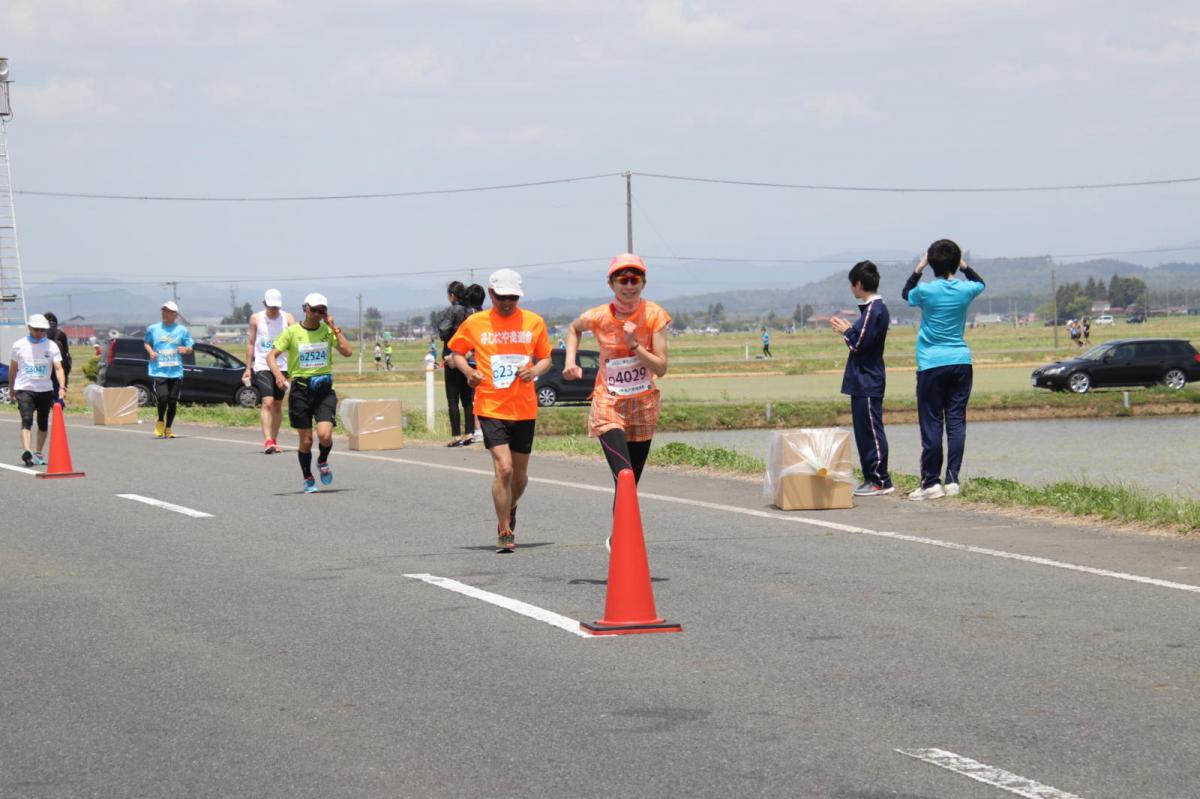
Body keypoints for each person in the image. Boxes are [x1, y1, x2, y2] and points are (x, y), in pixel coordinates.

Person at [447, 269, 552, 552]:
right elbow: (456, 352)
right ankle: (504, 528)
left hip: (524, 408)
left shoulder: (533, 322)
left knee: (520, 478)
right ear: (491, 294)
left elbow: (546, 359)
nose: (507, 303)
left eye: (513, 298)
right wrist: (469, 372)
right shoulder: (475, 322)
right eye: (502, 297)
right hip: (491, 405)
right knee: (503, 468)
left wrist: (533, 370)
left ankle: (511, 506)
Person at [563, 253, 670, 490]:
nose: (629, 286)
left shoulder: (654, 315)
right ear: (611, 284)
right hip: (608, 403)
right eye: (623, 280)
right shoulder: (599, 315)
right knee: (624, 474)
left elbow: (661, 368)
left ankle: (624, 528)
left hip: (643, 405)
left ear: (644, 283)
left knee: (629, 484)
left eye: (635, 280)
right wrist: (570, 360)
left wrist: (635, 346)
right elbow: (574, 328)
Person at [901, 239, 985, 501]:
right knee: (956, 421)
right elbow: (980, 283)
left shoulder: (926, 292)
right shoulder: (965, 289)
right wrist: (964, 265)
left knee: (932, 423)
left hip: (931, 363)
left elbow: (906, 293)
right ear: (955, 261)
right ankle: (952, 480)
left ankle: (931, 483)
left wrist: (919, 267)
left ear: (932, 263)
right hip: (961, 360)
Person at [268, 293, 353, 493]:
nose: (317, 314)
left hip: (324, 390)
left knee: (324, 435)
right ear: (305, 308)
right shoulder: (292, 332)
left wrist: (334, 326)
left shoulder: (327, 330)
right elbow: (271, 355)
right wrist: (279, 375)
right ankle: (307, 477)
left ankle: (322, 460)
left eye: (321, 310)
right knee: (306, 440)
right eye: (313, 310)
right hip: (301, 390)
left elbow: (347, 351)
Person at [830, 261, 893, 496]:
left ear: (858, 284)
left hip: (868, 380)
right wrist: (849, 329)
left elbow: (858, 344)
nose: (851, 288)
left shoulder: (873, 309)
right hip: (863, 380)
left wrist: (846, 330)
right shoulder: (872, 310)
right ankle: (871, 478)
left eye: (852, 284)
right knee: (864, 431)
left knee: (871, 431)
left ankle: (879, 480)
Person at [8, 314, 67, 466]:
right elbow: (13, 369)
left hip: (45, 389)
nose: (39, 332)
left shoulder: (51, 346)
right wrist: (11, 387)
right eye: (36, 329)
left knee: (43, 422)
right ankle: (26, 451)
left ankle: (38, 453)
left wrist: (61, 386)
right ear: (29, 328)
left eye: (42, 330)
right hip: (24, 388)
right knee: (26, 419)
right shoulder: (19, 345)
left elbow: (59, 368)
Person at [243, 288, 296, 454]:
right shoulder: (256, 318)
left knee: (278, 405)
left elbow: (295, 342)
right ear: (264, 303)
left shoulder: (287, 318)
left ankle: (274, 440)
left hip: (282, 367)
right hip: (262, 365)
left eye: (277, 307)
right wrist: (248, 367)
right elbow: (251, 343)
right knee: (268, 401)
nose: (275, 310)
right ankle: (267, 440)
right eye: (271, 306)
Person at [144, 301, 195, 439]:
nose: (164, 313)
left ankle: (168, 428)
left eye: (168, 311)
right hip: (159, 370)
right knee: (163, 398)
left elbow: (190, 346)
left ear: (175, 315)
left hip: (176, 371)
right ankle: (161, 420)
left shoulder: (182, 330)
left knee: (172, 401)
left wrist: (186, 349)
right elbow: (147, 343)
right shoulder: (153, 329)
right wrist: (150, 352)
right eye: (163, 311)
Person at [437, 281, 475, 447]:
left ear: (452, 295)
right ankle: (469, 433)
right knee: (468, 397)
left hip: (452, 356)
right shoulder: (471, 311)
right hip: (469, 356)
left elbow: (443, 332)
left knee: (453, 397)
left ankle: (456, 435)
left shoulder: (452, 310)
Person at [465, 284, 486, 443]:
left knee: (475, 397)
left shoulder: (469, 316)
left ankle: (477, 430)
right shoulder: (486, 315)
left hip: (472, 360)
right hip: (486, 359)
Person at [43, 311, 72, 394]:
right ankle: (59, 402)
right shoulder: (61, 334)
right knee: (58, 386)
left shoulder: (41, 334)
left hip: (44, 365)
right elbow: (66, 351)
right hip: (59, 364)